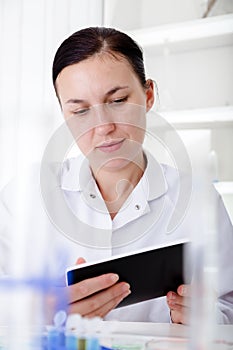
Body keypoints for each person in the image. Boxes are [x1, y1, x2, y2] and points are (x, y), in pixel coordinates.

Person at [1, 27, 233, 324]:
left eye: (118, 100)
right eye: (80, 110)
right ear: (64, 115)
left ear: (148, 96)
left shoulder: (198, 198)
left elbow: (228, 307)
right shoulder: (26, 194)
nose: (103, 127)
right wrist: (38, 310)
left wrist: (205, 317)